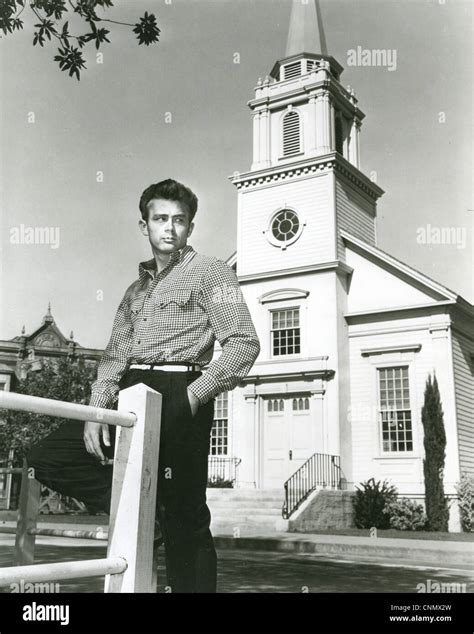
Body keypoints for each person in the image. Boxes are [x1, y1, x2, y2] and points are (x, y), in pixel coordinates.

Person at [27, 178, 261, 593]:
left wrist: (190, 397)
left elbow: (244, 344)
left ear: (190, 226)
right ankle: (145, 515)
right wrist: (98, 410)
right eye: (160, 219)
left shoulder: (213, 273)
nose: (169, 228)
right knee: (48, 456)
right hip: (129, 393)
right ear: (144, 225)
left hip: (181, 389)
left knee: (186, 518)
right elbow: (115, 355)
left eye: (179, 220)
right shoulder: (134, 290)